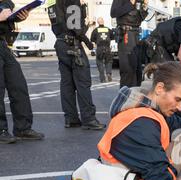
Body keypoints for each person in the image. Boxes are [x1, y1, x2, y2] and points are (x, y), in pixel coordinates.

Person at [47, 0, 105, 130]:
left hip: (61, 43)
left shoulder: (53, 2)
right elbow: (74, 26)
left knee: (67, 83)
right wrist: (88, 41)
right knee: (83, 82)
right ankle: (89, 118)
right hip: (73, 45)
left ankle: (71, 118)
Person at [0, 1, 44, 144]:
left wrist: (20, 16)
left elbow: (8, 14)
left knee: (18, 85)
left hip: (2, 44)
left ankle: (22, 128)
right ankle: (1, 130)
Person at [111, 0, 148, 88]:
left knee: (138, 71)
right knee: (128, 69)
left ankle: (134, 97)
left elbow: (139, 19)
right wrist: (130, 3)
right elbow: (113, 13)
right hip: (126, 34)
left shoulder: (139, 1)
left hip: (136, 35)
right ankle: (125, 98)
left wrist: (145, 7)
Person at [90, 17, 114, 83]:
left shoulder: (95, 30)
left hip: (100, 48)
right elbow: (112, 37)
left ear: (98, 22)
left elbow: (92, 39)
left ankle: (102, 78)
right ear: (103, 21)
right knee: (108, 61)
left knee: (99, 62)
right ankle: (108, 74)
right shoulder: (108, 29)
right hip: (107, 47)